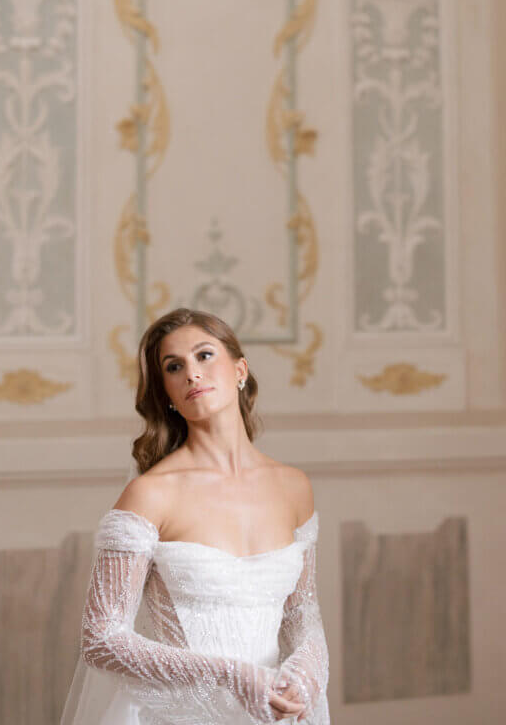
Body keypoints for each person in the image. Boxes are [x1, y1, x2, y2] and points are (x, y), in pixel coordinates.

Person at [60, 307, 330, 725]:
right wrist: (231, 676)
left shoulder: (294, 486)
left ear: (240, 369)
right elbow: (101, 638)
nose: (192, 373)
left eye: (204, 355)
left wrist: (307, 673)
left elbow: (302, 614)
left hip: (276, 713)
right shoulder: (150, 494)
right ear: (167, 392)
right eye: (174, 366)